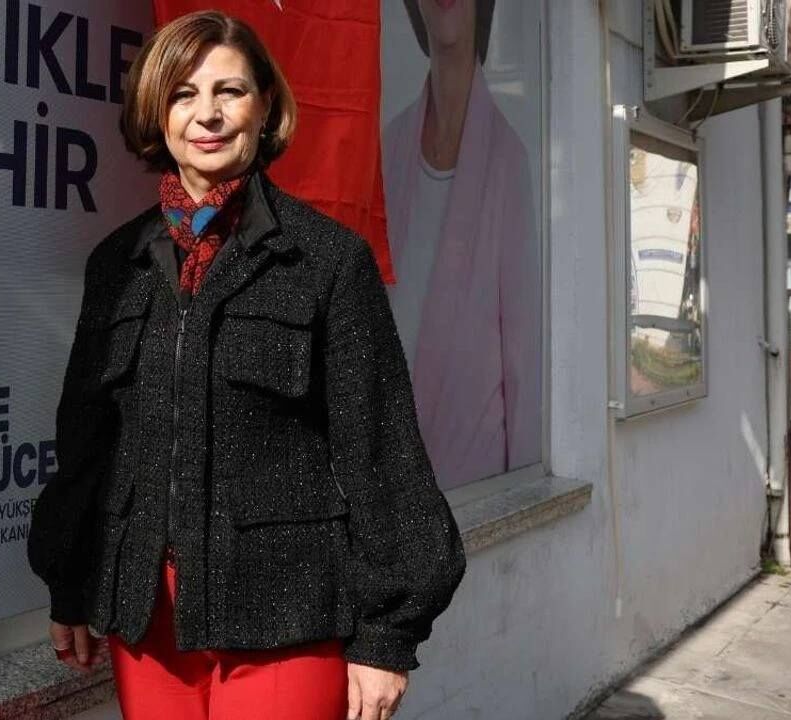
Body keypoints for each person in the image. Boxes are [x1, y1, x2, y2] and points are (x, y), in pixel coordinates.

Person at [27, 11, 465, 720]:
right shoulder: (117, 264)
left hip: (287, 615)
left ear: (265, 106)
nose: (207, 114)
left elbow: (380, 452)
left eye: (228, 91)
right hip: (149, 618)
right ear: (157, 113)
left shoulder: (327, 261)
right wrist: (69, 581)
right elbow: (87, 442)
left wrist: (387, 635)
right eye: (183, 94)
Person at [383, 0, 541, 489]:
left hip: (472, 489)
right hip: (385, 484)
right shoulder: (390, 148)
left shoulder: (510, 161)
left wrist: (521, 500)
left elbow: (524, 363)